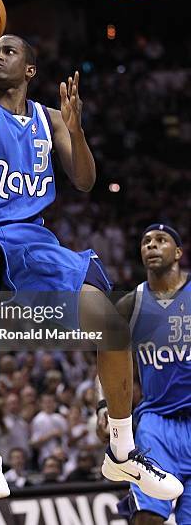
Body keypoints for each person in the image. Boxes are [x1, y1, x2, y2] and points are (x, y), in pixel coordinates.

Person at [0, 15, 182, 503]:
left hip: (35, 242)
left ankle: (122, 452)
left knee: (108, 322)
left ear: (30, 70)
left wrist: (76, 128)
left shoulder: (48, 118)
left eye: (8, 50)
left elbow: (85, 180)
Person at [97, 224, 191, 525]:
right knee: (147, 517)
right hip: (156, 423)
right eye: (146, 241)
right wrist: (103, 407)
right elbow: (105, 360)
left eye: (161, 240)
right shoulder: (131, 303)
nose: (151, 245)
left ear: (178, 252)